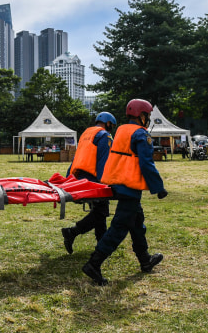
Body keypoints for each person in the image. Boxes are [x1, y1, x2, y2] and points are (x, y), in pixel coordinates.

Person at [82, 99, 168, 286]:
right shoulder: (141, 134)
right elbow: (146, 163)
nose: (149, 119)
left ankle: (145, 260)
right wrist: (159, 188)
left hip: (117, 183)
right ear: (141, 115)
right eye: (148, 115)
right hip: (130, 186)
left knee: (137, 222)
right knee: (119, 228)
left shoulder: (120, 130)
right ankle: (93, 264)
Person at [61, 112, 116, 254]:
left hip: (80, 178)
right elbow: (103, 160)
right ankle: (72, 232)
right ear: (108, 123)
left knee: (99, 210)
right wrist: (105, 181)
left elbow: (77, 157)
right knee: (101, 212)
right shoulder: (105, 135)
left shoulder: (86, 134)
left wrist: (69, 177)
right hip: (94, 179)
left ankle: (101, 245)